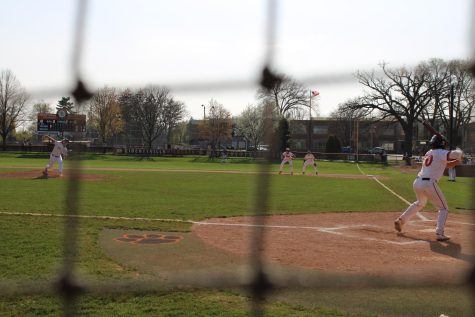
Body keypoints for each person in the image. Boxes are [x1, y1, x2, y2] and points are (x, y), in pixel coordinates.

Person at [394, 134, 464, 241]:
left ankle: (401, 220)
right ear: (442, 144)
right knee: (443, 208)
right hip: (429, 183)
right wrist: (460, 152)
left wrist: (457, 161)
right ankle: (440, 233)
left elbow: (446, 165)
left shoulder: (429, 153)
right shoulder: (440, 152)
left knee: (420, 203)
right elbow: (453, 154)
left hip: (418, 182)